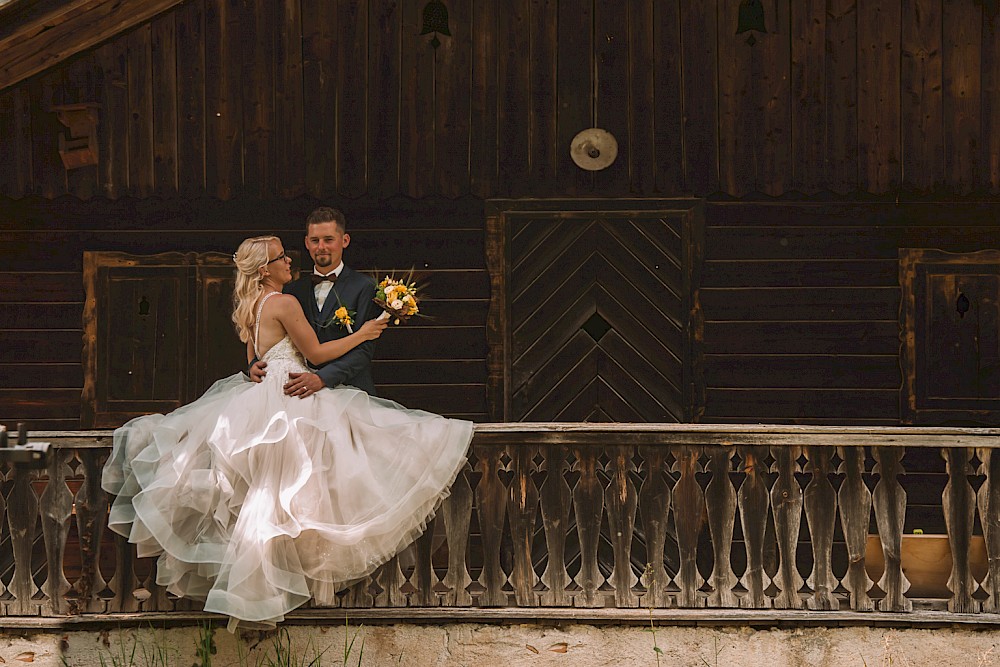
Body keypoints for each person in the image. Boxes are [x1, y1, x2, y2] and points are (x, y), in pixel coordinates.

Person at [101, 234, 474, 631]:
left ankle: (270, 583)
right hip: (292, 391)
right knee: (315, 478)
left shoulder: (250, 307)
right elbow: (315, 355)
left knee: (272, 491)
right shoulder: (284, 302)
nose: (290, 264)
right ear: (265, 269)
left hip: (263, 393)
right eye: (282, 258)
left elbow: (254, 361)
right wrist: (363, 334)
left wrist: (255, 370)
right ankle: (289, 581)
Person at [251, 207, 378, 397]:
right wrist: (254, 364)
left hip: (350, 391)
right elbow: (265, 332)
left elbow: (364, 350)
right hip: (295, 392)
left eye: (328, 240)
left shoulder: (365, 287)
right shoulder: (291, 290)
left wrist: (323, 378)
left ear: (345, 241)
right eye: (315, 240)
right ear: (306, 243)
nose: (321, 247)